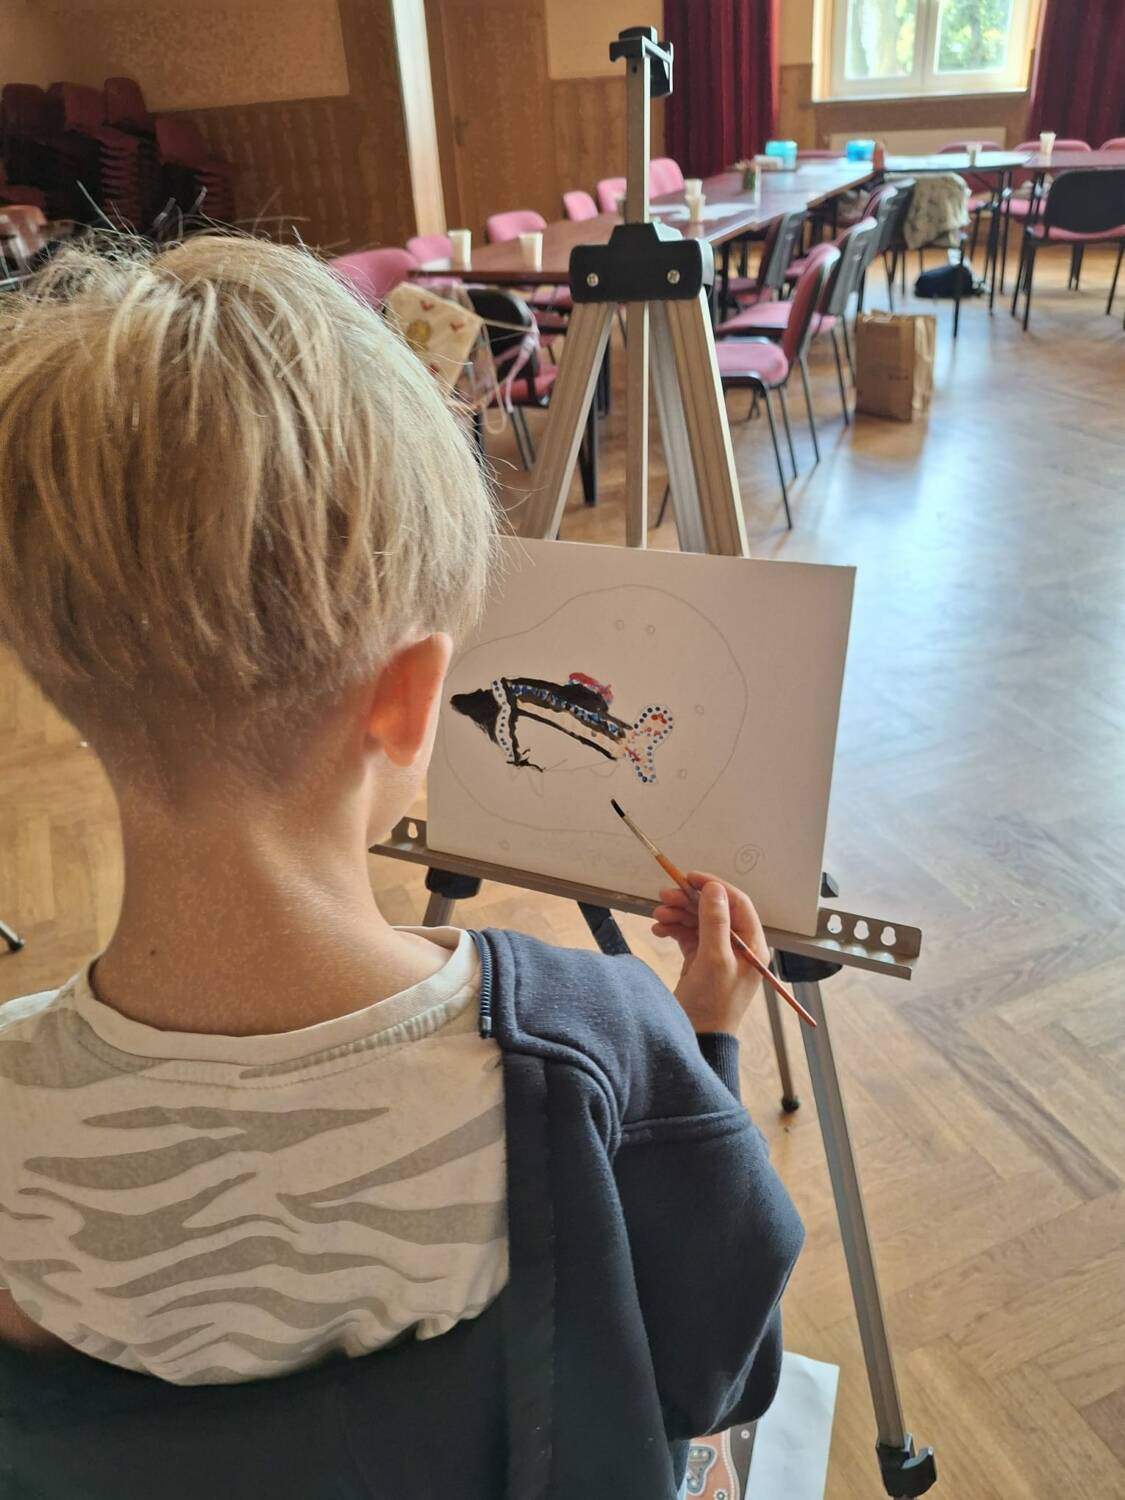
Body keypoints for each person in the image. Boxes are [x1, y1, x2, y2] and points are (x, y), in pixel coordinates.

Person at [0, 235, 803, 1499]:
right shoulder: (594, 1045)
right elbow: (721, 1374)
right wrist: (700, 1043)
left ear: (58, 679)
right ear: (413, 699)